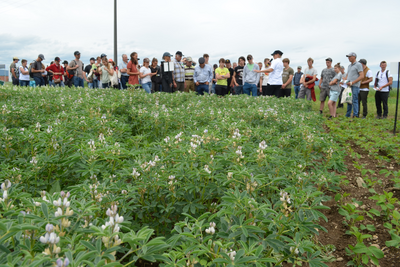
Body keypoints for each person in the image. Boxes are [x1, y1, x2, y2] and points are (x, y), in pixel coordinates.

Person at [343, 52, 364, 118]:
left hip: (355, 86)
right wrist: (343, 81)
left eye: (350, 56)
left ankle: (355, 114)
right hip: (349, 86)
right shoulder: (349, 66)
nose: (348, 58)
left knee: (355, 100)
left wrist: (353, 82)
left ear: (354, 57)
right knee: (349, 100)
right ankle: (348, 114)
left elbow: (361, 76)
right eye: (348, 57)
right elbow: (347, 75)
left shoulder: (358, 65)